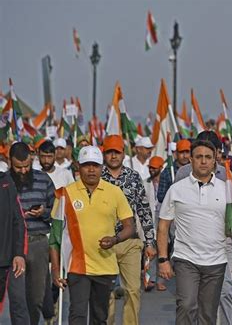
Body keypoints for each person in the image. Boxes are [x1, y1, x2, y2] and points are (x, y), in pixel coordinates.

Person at [49, 145, 135, 325]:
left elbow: (129, 226)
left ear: (101, 167)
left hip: (105, 266)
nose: (91, 170)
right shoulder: (66, 194)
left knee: (99, 317)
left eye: (95, 165)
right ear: (78, 167)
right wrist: (56, 270)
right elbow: (55, 237)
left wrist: (115, 239)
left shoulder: (114, 192)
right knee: (77, 315)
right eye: (86, 165)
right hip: (77, 266)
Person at [158, 140, 228, 325]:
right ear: (190, 160)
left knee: (208, 314)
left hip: (216, 262)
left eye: (208, 157)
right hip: (186, 260)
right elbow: (163, 226)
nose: (203, 161)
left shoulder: (228, 190)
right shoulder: (176, 190)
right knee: (187, 306)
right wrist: (163, 259)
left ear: (215, 161)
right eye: (199, 157)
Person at [100, 135, 156, 325]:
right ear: (103, 154)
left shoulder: (133, 177)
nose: (113, 156)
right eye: (109, 152)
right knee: (106, 291)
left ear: (124, 154)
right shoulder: (97, 177)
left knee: (132, 290)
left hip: (129, 242)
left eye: (117, 152)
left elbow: (143, 210)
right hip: (103, 243)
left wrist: (150, 242)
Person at [7, 141, 55, 325]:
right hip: (13, 246)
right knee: (18, 299)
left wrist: (44, 212)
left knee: (35, 298)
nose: (23, 171)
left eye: (26, 166)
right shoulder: (5, 183)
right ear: (10, 163)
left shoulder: (43, 180)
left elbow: (57, 213)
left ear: (32, 160)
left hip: (37, 243)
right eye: (18, 167)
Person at [38, 140, 75, 323]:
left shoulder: (66, 175)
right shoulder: (35, 174)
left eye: (49, 156)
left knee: (57, 275)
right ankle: (46, 312)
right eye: (43, 156)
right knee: (41, 277)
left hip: (59, 231)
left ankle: (53, 314)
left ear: (54, 156)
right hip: (39, 232)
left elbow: (71, 200)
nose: (46, 159)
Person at [0, 171, 26, 317]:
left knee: (18, 304)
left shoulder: (5, 181)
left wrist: (18, 253)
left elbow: (18, 221)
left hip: (3, 259)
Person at [144, 156, 166, 292]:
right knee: (149, 249)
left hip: (163, 218)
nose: (152, 170)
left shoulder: (166, 182)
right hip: (149, 218)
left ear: (161, 168)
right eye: (150, 167)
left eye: (154, 168)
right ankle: (148, 279)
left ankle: (160, 280)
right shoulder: (144, 183)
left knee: (163, 249)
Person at [157, 139, 191, 203]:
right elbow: (160, 197)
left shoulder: (195, 171)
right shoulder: (167, 172)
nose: (185, 156)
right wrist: (174, 193)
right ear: (175, 154)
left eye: (187, 152)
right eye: (182, 152)